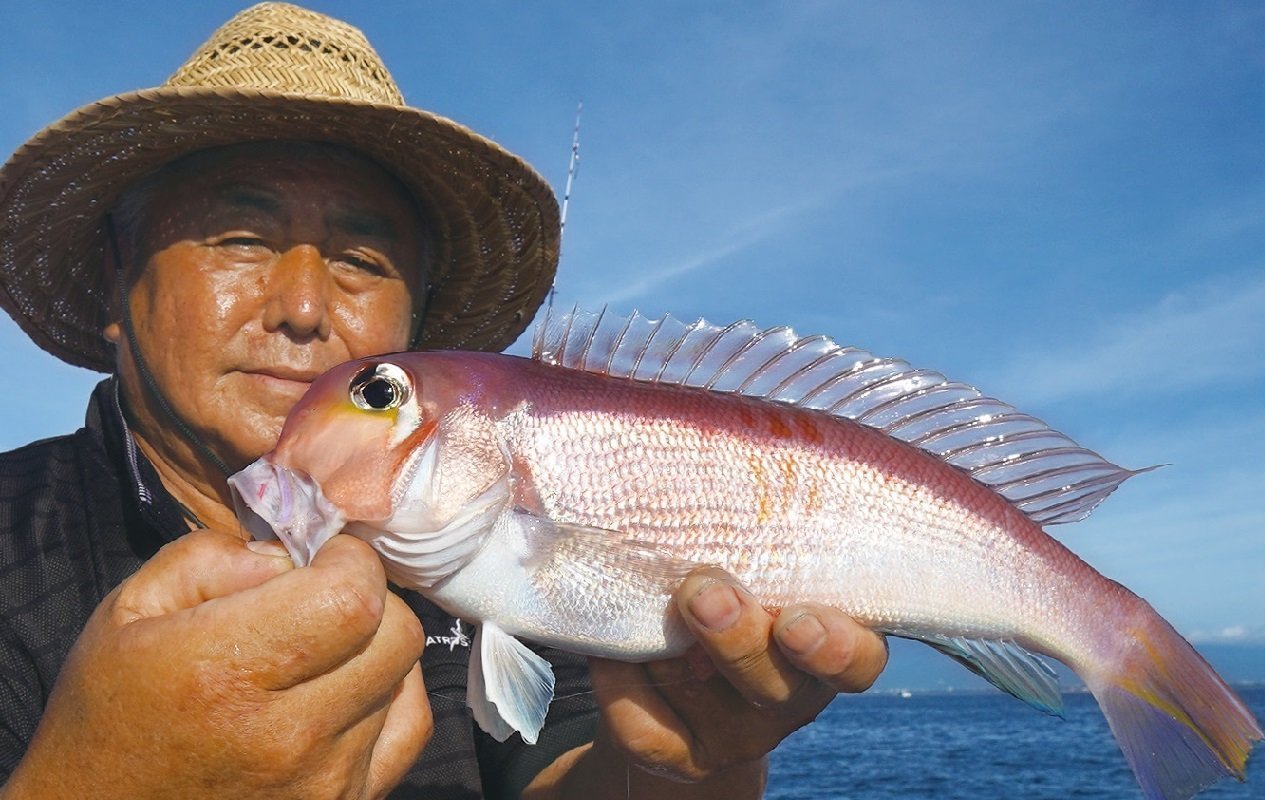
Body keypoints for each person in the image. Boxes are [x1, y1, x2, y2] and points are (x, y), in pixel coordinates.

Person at [0, 4, 887, 798]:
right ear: (118, 278)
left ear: (416, 316)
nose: (304, 309)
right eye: (241, 237)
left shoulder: (469, 523)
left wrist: (692, 763)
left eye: (360, 260)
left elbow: (574, 766)